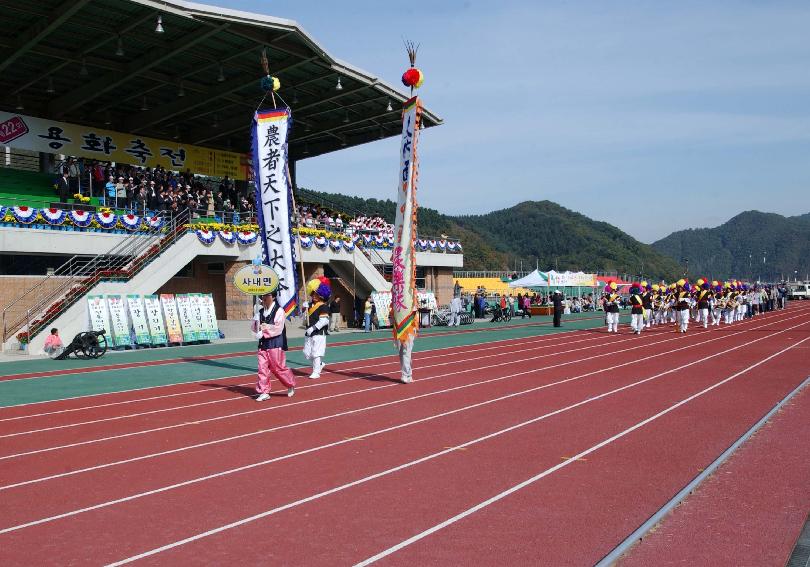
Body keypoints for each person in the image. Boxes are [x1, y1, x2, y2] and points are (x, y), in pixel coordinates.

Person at [251, 291, 295, 401]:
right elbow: (254, 328)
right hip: (263, 344)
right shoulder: (260, 311)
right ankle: (264, 391)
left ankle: (290, 383)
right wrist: (255, 324)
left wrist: (264, 331)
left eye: (267, 295)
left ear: (274, 297)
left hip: (275, 343)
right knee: (262, 368)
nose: (264, 298)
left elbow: (278, 328)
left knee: (278, 368)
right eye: (263, 296)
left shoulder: (279, 311)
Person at [304, 276, 332, 379]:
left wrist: (313, 328)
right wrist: (305, 310)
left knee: (316, 353)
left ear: (321, 295)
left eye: (316, 294)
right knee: (307, 353)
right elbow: (304, 320)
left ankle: (316, 372)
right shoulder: (309, 305)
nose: (314, 296)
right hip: (309, 332)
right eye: (313, 293)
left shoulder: (324, 306)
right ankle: (320, 364)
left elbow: (324, 321)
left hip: (318, 333)